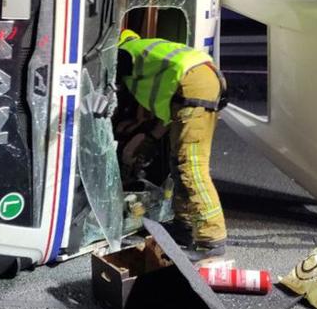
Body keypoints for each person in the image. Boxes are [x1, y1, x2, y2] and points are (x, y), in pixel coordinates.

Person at [89, 28, 228, 261]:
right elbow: (164, 114)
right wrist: (150, 141)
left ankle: (211, 238)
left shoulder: (125, 53)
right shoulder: (150, 59)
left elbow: (107, 94)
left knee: (191, 165)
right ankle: (184, 228)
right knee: (178, 163)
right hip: (195, 85)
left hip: (193, 85)